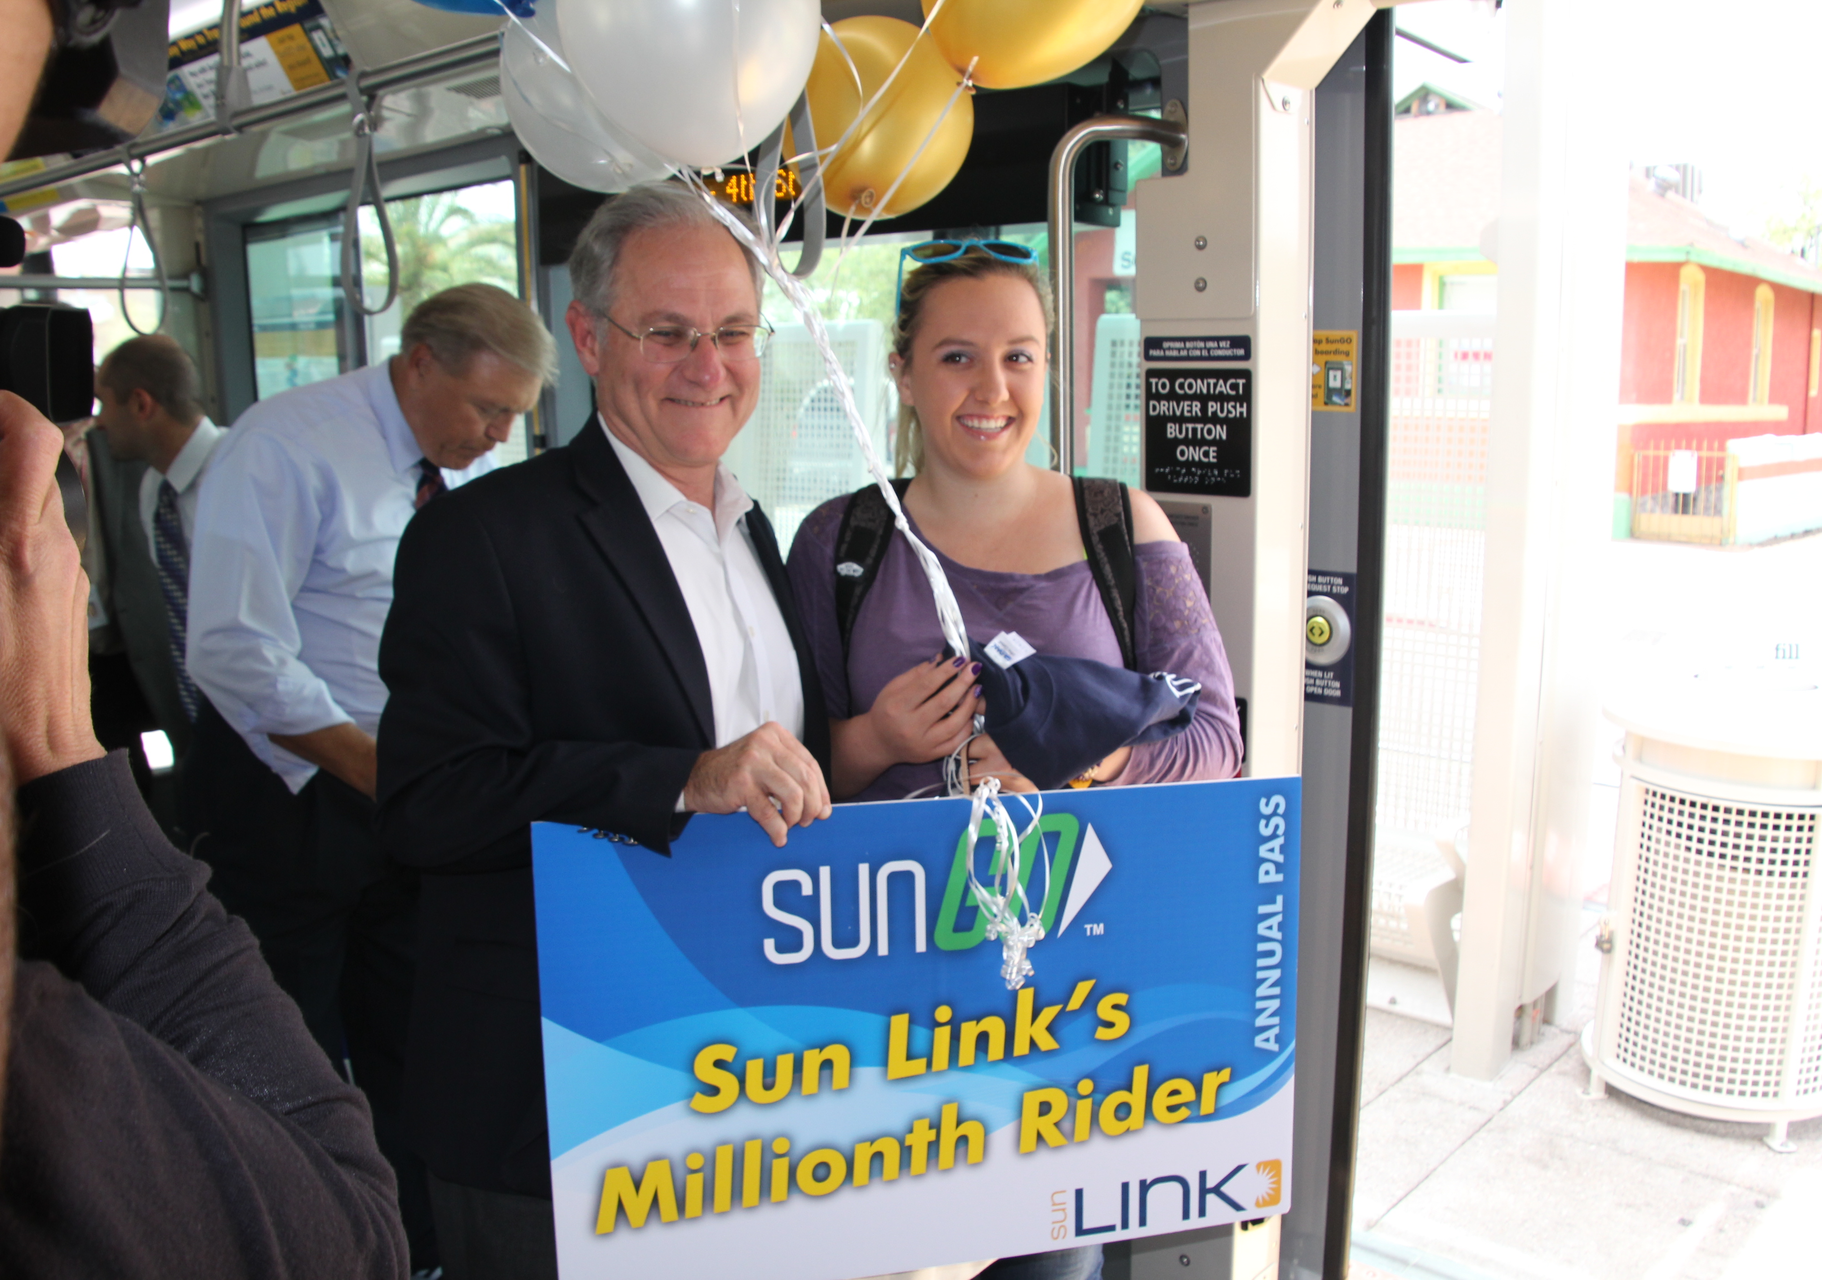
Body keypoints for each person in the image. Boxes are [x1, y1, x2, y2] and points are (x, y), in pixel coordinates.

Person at [375, 182, 831, 1279]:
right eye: (667, 332)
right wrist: (682, 779)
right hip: (551, 1106)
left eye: (732, 332)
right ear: (587, 339)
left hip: (739, 1091)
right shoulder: (481, 536)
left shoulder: (756, 532)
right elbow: (429, 804)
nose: (707, 366)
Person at [786, 243, 1243, 1280]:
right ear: (902, 373)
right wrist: (877, 741)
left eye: (1020, 356)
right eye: (956, 356)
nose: (992, 389)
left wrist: (1079, 770)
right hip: (874, 1006)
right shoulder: (839, 541)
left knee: (1048, 1258)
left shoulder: (1120, 526)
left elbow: (1216, 741)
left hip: (1070, 1001)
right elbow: (784, 768)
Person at [184, 282, 554, 1273]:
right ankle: (305, 1245)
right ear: (420, 360)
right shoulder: (286, 445)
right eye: (488, 408)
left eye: (514, 417)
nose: (498, 435)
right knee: (288, 1042)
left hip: (412, 797)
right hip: (295, 792)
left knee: (415, 1033)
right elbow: (231, 646)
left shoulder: (460, 474)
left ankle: (416, 1247)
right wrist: (378, 769)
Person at [0, 389, 408, 1278]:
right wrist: (57, 738)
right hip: (285, 784)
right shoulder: (38, 1060)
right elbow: (346, 1235)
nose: (498, 431)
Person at [88, 334, 226, 770]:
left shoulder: (244, 472)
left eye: (103, 404)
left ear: (140, 404)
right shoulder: (154, 488)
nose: (98, 422)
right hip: (201, 727)